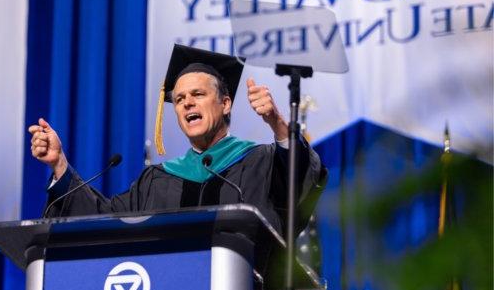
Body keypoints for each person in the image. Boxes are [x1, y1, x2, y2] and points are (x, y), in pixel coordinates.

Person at [28, 44, 326, 235]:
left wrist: (277, 123)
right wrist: (60, 165)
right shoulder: (157, 180)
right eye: (179, 98)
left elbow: (298, 181)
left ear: (225, 104)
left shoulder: (260, 161)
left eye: (198, 94)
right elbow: (104, 220)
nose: (186, 103)